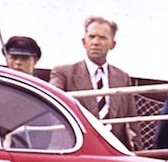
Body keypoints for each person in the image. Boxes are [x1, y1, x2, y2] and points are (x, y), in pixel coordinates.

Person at [49, 16, 136, 147]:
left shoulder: (122, 77)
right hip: (77, 147)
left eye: (102, 38)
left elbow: (132, 120)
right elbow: (52, 101)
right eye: (92, 37)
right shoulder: (63, 74)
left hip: (114, 149)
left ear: (113, 44)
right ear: (84, 42)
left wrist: (138, 151)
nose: (96, 42)